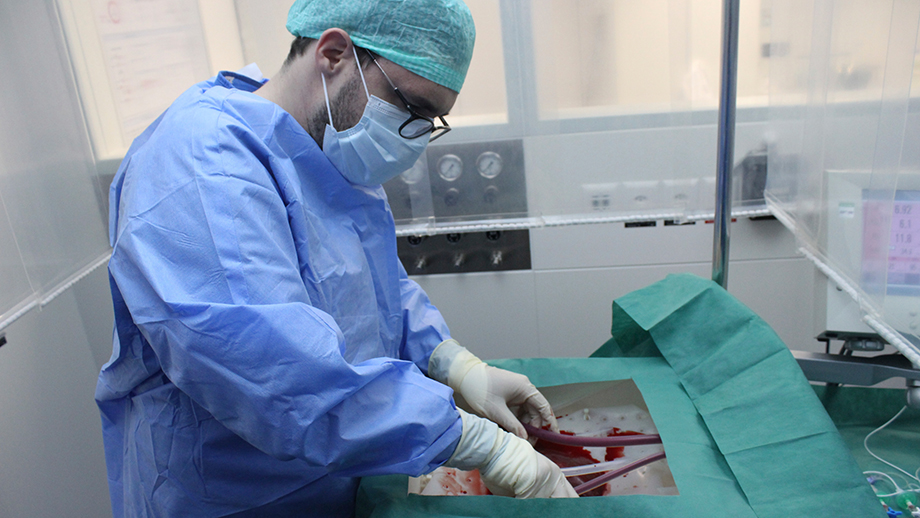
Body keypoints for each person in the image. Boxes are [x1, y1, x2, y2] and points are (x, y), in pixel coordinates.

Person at [95, 0, 577, 516]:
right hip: (233, 495)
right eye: (410, 107)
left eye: (430, 120)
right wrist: (481, 444)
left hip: (329, 477)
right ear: (333, 53)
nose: (414, 134)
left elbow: (368, 289)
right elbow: (279, 376)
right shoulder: (202, 165)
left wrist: (452, 362)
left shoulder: (320, 149)